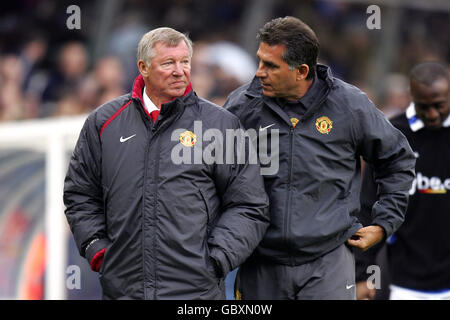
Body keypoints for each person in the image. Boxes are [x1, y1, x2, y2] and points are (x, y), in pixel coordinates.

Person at [63, 27, 270, 300]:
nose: (179, 71)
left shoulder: (220, 125)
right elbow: (80, 194)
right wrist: (97, 248)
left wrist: (217, 259)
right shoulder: (104, 123)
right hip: (123, 291)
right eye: (168, 63)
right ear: (143, 67)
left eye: (185, 62)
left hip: (196, 294)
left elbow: (249, 204)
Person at [223, 16, 416, 300]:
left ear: (301, 71)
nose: (259, 72)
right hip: (260, 262)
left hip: (328, 261)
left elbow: (398, 159)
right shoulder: (242, 106)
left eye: (271, 65)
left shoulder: (350, 106)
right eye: (260, 61)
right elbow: (213, 175)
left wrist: (384, 222)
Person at [356, 61, 450, 300]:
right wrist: (361, 274)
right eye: (424, 106)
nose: (432, 114)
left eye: (439, 105)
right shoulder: (392, 135)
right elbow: (369, 206)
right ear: (412, 97)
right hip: (400, 280)